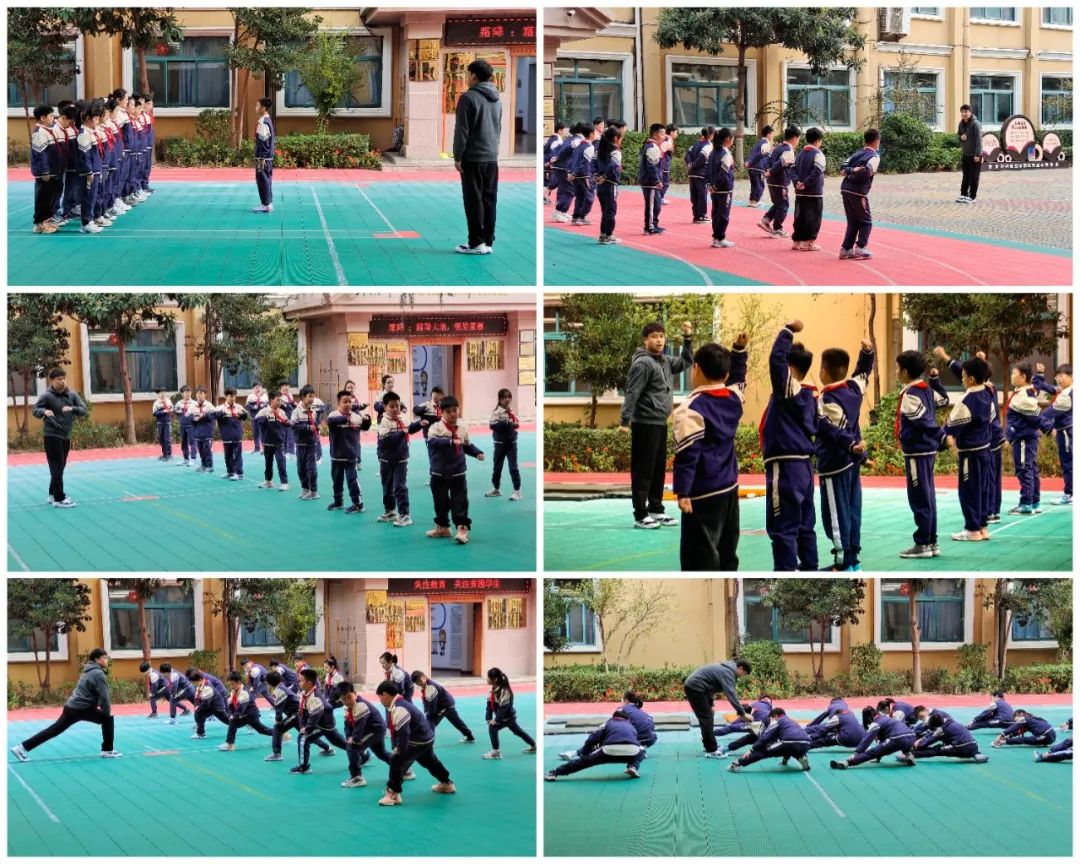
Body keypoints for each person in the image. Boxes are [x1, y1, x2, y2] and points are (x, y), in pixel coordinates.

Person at [673, 335, 749, 570]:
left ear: (695, 369)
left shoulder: (690, 408)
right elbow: (739, 380)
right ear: (725, 375)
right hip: (729, 488)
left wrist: (683, 492)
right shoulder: (734, 399)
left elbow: (688, 454)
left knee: (700, 555)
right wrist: (739, 351)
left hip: (702, 493)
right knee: (727, 551)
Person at [620, 321, 693, 529]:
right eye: (654, 336)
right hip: (645, 423)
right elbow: (632, 392)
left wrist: (688, 338)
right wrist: (625, 420)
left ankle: (656, 508)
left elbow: (686, 361)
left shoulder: (664, 361)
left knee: (658, 469)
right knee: (643, 470)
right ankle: (640, 514)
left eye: (661, 336)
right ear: (645, 340)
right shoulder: (643, 364)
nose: (659, 340)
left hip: (659, 422)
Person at [761, 322, 818, 570]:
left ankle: (784, 571)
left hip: (784, 467)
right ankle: (810, 568)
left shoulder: (789, 391)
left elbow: (776, 360)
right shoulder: (810, 397)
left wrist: (787, 331)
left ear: (790, 368)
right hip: (804, 466)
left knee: (782, 526)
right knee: (805, 524)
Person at [816, 340, 874, 570]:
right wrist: (867, 352)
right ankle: (853, 559)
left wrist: (852, 446)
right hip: (852, 463)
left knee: (835, 515)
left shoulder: (826, 400)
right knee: (852, 511)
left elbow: (836, 432)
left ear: (823, 371)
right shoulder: (854, 388)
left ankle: (842, 563)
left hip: (834, 464)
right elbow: (863, 372)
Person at [11, 648, 122, 762]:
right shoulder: (98, 673)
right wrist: (106, 713)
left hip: (71, 707)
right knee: (107, 719)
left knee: (54, 730)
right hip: (82, 708)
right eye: (104, 658)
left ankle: (21, 748)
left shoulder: (89, 670)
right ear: (97, 660)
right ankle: (107, 750)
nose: (107, 660)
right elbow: (104, 697)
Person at [895, 350, 950, 558]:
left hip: (917, 453)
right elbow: (943, 400)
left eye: (897, 368)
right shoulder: (926, 389)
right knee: (928, 497)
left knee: (919, 498)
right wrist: (935, 381)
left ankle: (922, 543)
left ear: (905, 372)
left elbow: (924, 421)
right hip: (927, 451)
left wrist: (941, 436)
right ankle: (932, 541)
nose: (896, 371)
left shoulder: (911, 394)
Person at [941, 357, 994, 541]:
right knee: (983, 489)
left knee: (968, 490)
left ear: (971, 379)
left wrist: (938, 440)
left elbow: (950, 428)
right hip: (986, 450)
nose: (961, 379)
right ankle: (982, 526)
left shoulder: (967, 400)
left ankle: (972, 529)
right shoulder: (988, 392)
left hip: (970, 454)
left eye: (963, 376)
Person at [376, 681, 456, 805]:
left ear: (385, 694)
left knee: (396, 762)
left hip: (418, 741)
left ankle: (393, 794)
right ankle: (447, 783)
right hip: (426, 739)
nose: (380, 701)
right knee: (430, 762)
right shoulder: (401, 703)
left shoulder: (399, 708)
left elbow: (404, 733)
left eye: (379, 697)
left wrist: (399, 751)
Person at [453, 58, 501, 255]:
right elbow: (498, 128)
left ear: (473, 75)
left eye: (468, 73)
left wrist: (458, 156)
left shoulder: (468, 97)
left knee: (474, 200)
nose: (467, 77)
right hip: (492, 157)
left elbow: (462, 130)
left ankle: (476, 243)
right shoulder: (497, 98)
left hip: (473, 157)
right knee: (489, 199)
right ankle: (487, 241)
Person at [426, 395, 485, 544]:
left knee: (460, 502)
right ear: (441, 412)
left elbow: (467, 445)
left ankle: (462, 529)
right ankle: (443, 528)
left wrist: (477, 453)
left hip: (458, 473)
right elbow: (432, 442)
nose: (452, 414)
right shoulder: (436, 427)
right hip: (439, 473)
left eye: (455, 410)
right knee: (440, 502)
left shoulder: (462, 429)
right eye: (448, 411)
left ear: (459, 410)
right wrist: (451, 442)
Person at [33, 368, 87, 508]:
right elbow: (35, 410)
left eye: (64, 378)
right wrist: (44, 411)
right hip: (51, 435)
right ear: (52, 380)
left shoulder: (72, 394)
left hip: (65, 435)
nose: (62, 381)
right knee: (56, 466)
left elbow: (83, 410)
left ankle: (52, 494)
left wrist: (72, 408)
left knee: (60, 466)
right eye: (59, 379)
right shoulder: (47, 396)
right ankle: (59, 498)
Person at [545, 710, 644, 781]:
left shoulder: (607, 724)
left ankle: (554, 773)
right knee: (642, 751)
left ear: (613, 717)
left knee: (584, 762)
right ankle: (633, 766)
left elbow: (592, 739)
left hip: (609, 750)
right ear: (627, 719)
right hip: (631, 751)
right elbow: (635, 742)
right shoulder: (631, 727)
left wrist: (585, 753)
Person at [682, 658, 752, 757]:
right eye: (744, 674)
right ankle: (711, 750)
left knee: (708, 716)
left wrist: (711, 704)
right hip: (695, 688)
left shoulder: (726, 669)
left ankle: (709, 745)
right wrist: (743, 713)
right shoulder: (728, 672)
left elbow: (710, 686)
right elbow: (731, 694)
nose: (742, 676)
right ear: (741, 668)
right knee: (706, 718)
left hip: (699, 688)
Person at [376, 391, 424, 527]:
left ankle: (404, 514)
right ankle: (390, 511)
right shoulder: (383, 422)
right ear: (385, 407)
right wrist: (402, 432)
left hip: (401, 459)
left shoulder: (403, 419)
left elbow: (410, 429)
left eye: (397, 406)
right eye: (391, 406)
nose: (395, 409)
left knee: (400, 487)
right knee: (387, 487)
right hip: (386, 460)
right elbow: (386, 440)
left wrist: (420, 424)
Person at [292, 668, 349, 774]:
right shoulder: (303, 693)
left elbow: (314, 716)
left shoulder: (315, 698)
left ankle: (304, 767)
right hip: (321, 722)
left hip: (325, 724)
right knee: (338, 741)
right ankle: (362, 754)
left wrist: (307, 729)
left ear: (309, 683)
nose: (298, 682)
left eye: (300, 680)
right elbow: (301, 712)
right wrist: (302, 726)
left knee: (303, 738)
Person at [1005, 361, 1044, 514]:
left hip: (1023, 438)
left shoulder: (1023, 396)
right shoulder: (1025, 391)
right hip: (1025, 437)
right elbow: (1036, 386)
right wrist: (1040, 375)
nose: (1011, 376)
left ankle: (1026, 503)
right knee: (1031, 468)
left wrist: (1048, 427)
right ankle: (1034, 501)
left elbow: (1036, 415)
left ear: (1023, 377)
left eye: (1014, 374)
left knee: (1024, 469)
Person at [838, 128, 881, 260]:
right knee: (866, 221)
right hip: (857, 192)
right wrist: (854, 173)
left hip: (845, 189)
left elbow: (842, 169)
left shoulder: (855, 154)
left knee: (853, 221)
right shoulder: (874, 157)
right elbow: (866, 173)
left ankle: (846, 249)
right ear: (877, 142)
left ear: (864, 140)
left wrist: (849, 172)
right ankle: (861, 247)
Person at [326, 390, 371, 514]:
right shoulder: (333, 415)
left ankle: (358, 504)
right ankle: (338, 501)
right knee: (336, 480)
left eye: (349, 402)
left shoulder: (356, 417)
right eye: (344, 402)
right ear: (338, 403)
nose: (347, 404)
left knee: (352, 480)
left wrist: (367, 420)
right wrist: (346, 419)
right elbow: (331, 422)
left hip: (351, 455)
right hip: (336, 455)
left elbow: (365, 427)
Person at [339, 682, 392, 788]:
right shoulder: (347, 707)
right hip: (373, 730)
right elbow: (347, 725)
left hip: (375, 730)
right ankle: (403, 768)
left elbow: (360, 725)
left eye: (349, 697)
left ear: (355, 694)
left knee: (352, 747)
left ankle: (357, 778)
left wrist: (354, 739)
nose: (347, 701)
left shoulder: (361, 705)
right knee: (381, 753)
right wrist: (349, 737)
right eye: (344, 699)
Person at [728, 707, 811, 773]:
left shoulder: (777, 721)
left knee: (763, 751)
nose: (770, 721)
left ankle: (736, 764)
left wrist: (751, 750)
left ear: (775, 716)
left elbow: (765, 738)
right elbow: (792, 742)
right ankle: (801, 757)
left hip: (788, 742)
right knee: (788, 747)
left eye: (770, 719)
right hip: (806, 744)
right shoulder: (792, 722)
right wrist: (785, 761)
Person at [1034, 362, 1073, 504]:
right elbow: (1045, 386)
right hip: (1066, 430)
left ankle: (1070, 493)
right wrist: (1040, 374)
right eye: (1057, 377)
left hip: (1066, 432)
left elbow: (1047, 414)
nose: (1058, 379)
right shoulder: (1065, 390)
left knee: (1068, 462)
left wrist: (1035, 420)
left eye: (1062, 376)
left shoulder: (1066, 395)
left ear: (1071, 377)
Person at [830, 708, 916, 769]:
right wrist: (879, 757)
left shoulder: (876, 723)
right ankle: (909, 755)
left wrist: (857, 753)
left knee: (872, 752)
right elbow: (883, 742)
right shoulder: (886, 718)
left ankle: (847, 763)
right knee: (902, 744)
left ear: (868, 717)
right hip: (911, 736)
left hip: (897, 738)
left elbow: (867, 740)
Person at [482, 667, 536, 759]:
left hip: (507, 717)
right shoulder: (493, 689)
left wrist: (496, 720)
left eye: (488, 677)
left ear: (495, 679)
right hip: (507, 717)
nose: (487, 679)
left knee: (493, 727)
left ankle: (496, 752)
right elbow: (489, 705)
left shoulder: (504, 691)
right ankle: (534, 746)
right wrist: (488, 718)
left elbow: (504, 708)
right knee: (518, 731)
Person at [412, 671, 476, 743]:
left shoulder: (430, 687)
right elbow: (426, 701)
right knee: (457, 722)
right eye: (417, 682)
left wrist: (429, 714)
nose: (419, 683)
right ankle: (470, 736)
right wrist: (426, 711)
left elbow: (432, 705)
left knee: (430, 721)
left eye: (420, 680)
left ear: (424, 677)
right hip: (447, 704)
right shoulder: (426, 686)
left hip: (445, 706)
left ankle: (428, 741)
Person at [218, 672, 274, 751]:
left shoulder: (244, 693)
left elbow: (241, 708)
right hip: (245, 715)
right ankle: (230, 744)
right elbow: (231, 705)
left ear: (238, 682)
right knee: (233, 723)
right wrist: (231, 714)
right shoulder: (234, 692)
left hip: (251, 715)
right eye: (230, 684)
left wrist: (234, 715)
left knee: (262, 730)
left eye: (232, 684)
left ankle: (279, 733)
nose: (231, 686)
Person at [760, 126, 799, 238]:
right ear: (794, 138)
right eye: (798, 139)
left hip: (771, 181)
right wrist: (771, 171)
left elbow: (767, 160)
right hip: (780, 181)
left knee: (778, 203)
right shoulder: (789, 151)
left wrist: (768, 170)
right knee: (783, 205)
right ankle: (777, 229)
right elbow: (780, 163)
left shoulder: (777, 148)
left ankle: (766, 219)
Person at [792, 127, 826, 251]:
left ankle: (797, 241)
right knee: (813, 218)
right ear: (818, 140)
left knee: (799, 217)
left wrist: (797, 182)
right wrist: (805, 184)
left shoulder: (799, 154)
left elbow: (792, 170)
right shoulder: (818, 154)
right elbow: (816, 172)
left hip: (800, 192)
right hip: (814, 192)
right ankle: (809, 242)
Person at [31, 104, 62, 234]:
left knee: (50, 198)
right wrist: (45, 171)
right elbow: (41, 154)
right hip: (45, 173)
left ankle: (47, 221)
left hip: (52, 171)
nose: (53, 118)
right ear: (42, 117)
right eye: (51, 116)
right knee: (43, 198)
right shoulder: (39, 133)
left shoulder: (48, 130)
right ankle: (40, 224)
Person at [487, 388, 522, 500]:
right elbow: (492, 425)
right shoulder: (496, 412)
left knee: (513, 467)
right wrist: (505, 423)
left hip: (511, 444)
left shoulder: (511, 411)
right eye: (504, 397)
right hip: (499, 444)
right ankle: (496, 489)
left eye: (509, 397)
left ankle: (517, 491)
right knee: (497, 467)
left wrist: (513, 424)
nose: (507, 399)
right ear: (500, 399)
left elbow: (516, 424)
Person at [76, 100, 105, 234]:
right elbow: (84, 156)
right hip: (89, 172)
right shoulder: (84, 134)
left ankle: (90, 219)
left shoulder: (92, 131)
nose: (98, 120)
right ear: (88, 118)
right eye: (96, 118)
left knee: (93, 197)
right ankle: (86, 223)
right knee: (88, 197)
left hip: (96, 169)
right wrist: (88, 172)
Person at [913, 713, 988, 762]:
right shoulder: (950, 721)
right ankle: (976, 754)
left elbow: (925, 743)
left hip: (961, 748)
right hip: (974, 746)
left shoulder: (940, 730)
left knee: (936, 750)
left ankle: (911, 754)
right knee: (947, 742)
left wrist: (915, 746)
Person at [706, 127, 736, 249]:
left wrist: (709, 184)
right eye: (733, 138)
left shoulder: (713, 152)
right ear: (728, 139)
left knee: (715, 213)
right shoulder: (725, 154)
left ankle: (716, 238)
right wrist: (716, 185)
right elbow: (723, 173)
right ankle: (720, 238)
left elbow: (708, 169)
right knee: (723, 214)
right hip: (724, 188)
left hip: (715, 188)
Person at [291, 385, 322, 500]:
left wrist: (317, 426)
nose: (312, 399)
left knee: (311, 468)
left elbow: (315, 424)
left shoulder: (313, 411)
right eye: (310, 396)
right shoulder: (296, 412)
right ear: (303, 397)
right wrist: (307, 427)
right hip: (300, 445)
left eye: (313, 396)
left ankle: (313, 491)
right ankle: (305, 489)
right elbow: (293, 426)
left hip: (311, 444)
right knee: (301, 469)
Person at [595, 124, 623, 245]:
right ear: (616, 138)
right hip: (610, 184)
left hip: (600, 185)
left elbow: (593, 164)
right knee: (611, 210)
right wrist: (605, 176)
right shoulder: (615, 152)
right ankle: (609, 235)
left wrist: (597, 176)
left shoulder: (600, 150)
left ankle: (603, 234)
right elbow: (613, 166)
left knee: (605, 211)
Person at [256, 392, 290, 491]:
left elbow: (288, 423)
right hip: (267, 442)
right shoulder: (263, 412)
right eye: (278, 400)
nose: (280, 402)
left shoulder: (282, 412)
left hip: (279, 443)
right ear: (271, 400)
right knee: (268, 463)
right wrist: (264, 419)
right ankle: (268, 481)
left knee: (281, 462)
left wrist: (287, 422)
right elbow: (256, 421)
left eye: (281, 400)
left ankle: (284, 483)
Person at [551, 122, 584, 223]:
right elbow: (567, 149)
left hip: (560, 167)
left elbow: (560, 148)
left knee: (566, 190)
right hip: (564, 167)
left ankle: (563, 211)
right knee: (570, 191)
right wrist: (558, 157)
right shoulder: (578, 140)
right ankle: (557, 212)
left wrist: (556, 157)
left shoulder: (569, 138)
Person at [638, 123, 666, 235]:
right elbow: (652, 166)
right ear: (655, 135)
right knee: (652, 205)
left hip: (650, 180)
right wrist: (657, 180)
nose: (664, 137)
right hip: (650, 181)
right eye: (662, 134)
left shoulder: (650, 145)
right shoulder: (652, 147)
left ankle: (654, 224)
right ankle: (649, 227)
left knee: (656, 204)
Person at [216, 387, 248, 481]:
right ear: (226, 396)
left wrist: (243, 415)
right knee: (227, 455)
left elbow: (245, 417)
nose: (233, 398)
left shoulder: (239, 407)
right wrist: (221, 413)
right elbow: (213, 416)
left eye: (234, 396)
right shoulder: (220, 408)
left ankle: (239, 473)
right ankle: (230, 472)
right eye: (231, 396)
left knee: (237, 455)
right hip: (226, 435)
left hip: (236, 435)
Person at [569, 124, 598, 227]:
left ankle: (575, 217)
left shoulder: (579, 145)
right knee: (590, 197)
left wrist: (571, 172)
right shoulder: (589, 147)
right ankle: (581, 217)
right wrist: (575, 173)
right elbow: (584, 163)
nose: (596, 134)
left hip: (576, 175)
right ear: (591, 134)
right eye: (595, 132)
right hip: (584, 176)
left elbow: (572, 160)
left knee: (579, 197)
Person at [189, 670, 230, 738]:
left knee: (228, 721)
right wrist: (197, 706)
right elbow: (197, 698)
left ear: (199, 680)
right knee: (198, 713)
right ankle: (201, 733)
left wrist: (198, 707)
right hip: (210, 707)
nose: (193, 684)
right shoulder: (199, 685)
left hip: (217, 707)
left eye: (194, 682)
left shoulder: (207, 687)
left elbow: (206, 703)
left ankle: (244, 722)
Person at [685, 126, 714, 223]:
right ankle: (701, 216)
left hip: (692, 174)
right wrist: (693, 165)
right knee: (702, 195)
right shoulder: (709, 145)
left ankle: (696, 215)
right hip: (701, 174)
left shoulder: (696, 143)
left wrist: (690, 164)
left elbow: (687, 154)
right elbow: (702, 158)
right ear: (711, 135)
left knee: (694, 195)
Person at [956, 104, 982, 204]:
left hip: (975, 155)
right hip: (966, 154)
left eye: (966, 112)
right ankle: (964, 195)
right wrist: (961, 137)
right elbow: (959, 135)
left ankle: (972, 196)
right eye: (962, 112)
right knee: (966, 175)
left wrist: (977, 155)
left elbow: (979, 141)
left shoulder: (975, 124)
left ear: (970, 112)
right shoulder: (961, 124)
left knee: (974, 176)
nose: (964, 114)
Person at [252, 96, 275, 214]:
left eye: (257, 105)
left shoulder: (263, 122)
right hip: (266, 157)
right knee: (266, 179)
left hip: (263, 158)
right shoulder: (267, 120)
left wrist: (262, 158)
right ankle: (267, 203)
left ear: (263, 108)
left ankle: (266, 205)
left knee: (263, 180)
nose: (255, 107)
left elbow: (264, 142)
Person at [745, 125, 773, 208]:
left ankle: (752, 200)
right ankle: (755, 201)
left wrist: (749, 161)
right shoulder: (766, 144)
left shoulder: (759, 142)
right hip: (758, 167)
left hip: (752, 167)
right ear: (768, 134)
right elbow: (760, 155)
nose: (772, 136)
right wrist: (750, 162)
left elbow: (754, 153)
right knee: (760, 185)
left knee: (754, 185)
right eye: (771, 134)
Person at [543, 121, 567, 204]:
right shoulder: (558, 139)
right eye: (564, 130)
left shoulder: (552, 137)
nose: (564, 132)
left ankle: (545, 197)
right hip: (548, 163)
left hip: (546, 161)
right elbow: (553, 151)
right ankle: (544, 197)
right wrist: (550, 162)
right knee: (551, 181)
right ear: (560, 130)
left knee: (548, 181)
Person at [151, 387, 174, 461]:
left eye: (164, 392)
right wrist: (162, 411)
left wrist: (168, 410)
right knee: (161, 439)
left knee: (167, 439)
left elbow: (172, 410)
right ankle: (164, 454)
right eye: (161, 393)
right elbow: (154, 413)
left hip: (167, 423)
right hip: (160, 423)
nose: (163, 394)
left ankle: (169, 454)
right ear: (158, 394)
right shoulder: (156, 403)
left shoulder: (168, 401)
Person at [245, 382, 269, 453]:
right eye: (256, 388)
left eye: (259, 387)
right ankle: (257, 448)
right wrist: (253, 407)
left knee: (263, 432)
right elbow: (247, 406)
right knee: (256, 433)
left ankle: (264, 448)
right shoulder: (250, 396)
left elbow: (268, 405)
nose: (258, 389)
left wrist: (263, 405)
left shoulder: (264, 396)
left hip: (263, 417)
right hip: (254, 417)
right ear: (253, 389)